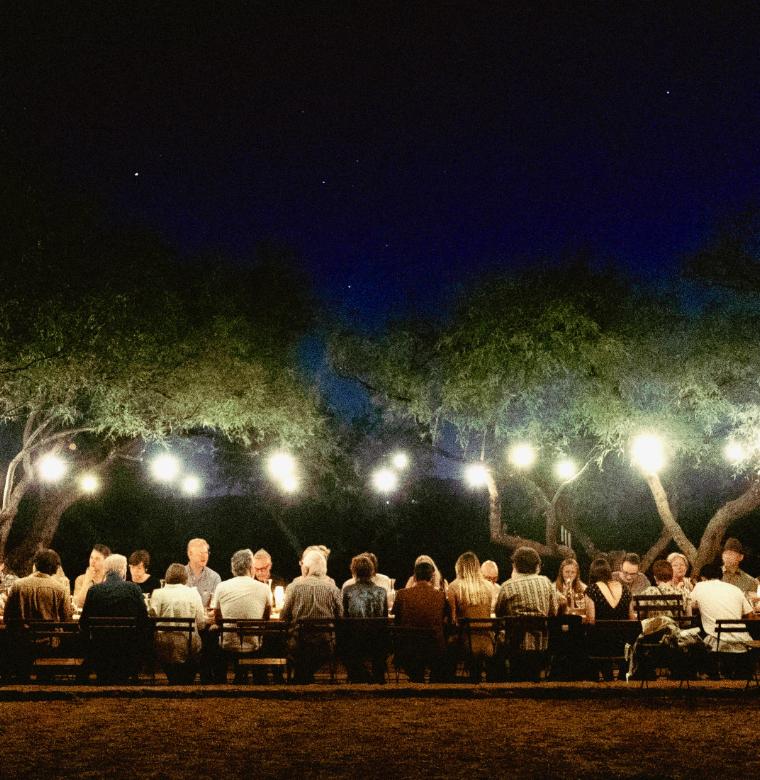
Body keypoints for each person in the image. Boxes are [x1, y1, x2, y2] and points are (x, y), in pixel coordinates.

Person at [79, 554, 149, 684]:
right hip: (127, 652)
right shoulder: (133, 589)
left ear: (105, 570)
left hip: (101, 652)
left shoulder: (94, 591)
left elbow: (83, 622)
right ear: (123, 571)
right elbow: (144, 620)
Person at [495, 546, 557, 681]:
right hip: (541, 644)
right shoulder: (546, 582)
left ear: (514, 566)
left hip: (515, 645)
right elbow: (553, 612)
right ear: (537, 566)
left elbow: (499, 614)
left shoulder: (507, 586)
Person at [280, 549, 342, 684]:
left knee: (289, 644)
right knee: (314, 653)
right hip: (326, 645)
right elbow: (340, 617)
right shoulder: (333, 589)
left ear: (306, 569)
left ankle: (301, 677)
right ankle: (305, 676)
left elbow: (283, 617)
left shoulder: (294, 587)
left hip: (299, 644)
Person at [213, 548, 271, 683]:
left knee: (214, 639)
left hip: (228, 644)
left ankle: (219, 680)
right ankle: (262, 680)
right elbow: (266, 618)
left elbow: (217, 619)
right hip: (253, 644)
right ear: (251, 567)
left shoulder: (221, 587)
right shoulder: (265, 588)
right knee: (265, 640)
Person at [692, 562, 754, 678]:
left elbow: (689, 604)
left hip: (717, 641)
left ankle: (709, 670)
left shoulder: (700, 586)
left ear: (702, 578)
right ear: (721, 576)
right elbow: (750, 614)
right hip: (743, 641)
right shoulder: (735, 589)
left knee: (697, 634)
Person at [393, 560, 449, 683]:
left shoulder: (402, 594)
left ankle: (416, 679)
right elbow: (444, 619)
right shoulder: (440, 596)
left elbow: (397, 619)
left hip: (409, 648)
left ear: (414, 576)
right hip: (434, 647)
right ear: (431, 576)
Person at [149, 563, 206, 684]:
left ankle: (173, 678)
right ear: (185, 578)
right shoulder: (193, 593)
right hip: (188, 645)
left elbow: (152, 618)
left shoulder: (158, 593)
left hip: (163, 644)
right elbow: (201, 624)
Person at [585, 556, 634, 681]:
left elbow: (591, 619)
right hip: (622, 641)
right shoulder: (625, 589)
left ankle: (604, 677)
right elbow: (631, 618)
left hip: (601, 643)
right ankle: (622, 677)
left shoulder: (591, 590)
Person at [448, 552, 495, 682]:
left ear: (459, 567)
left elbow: (453, 620)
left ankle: (448, 681)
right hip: (487, 642)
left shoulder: (453, 587)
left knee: (447, 642)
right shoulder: (489, 587)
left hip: (465, 644)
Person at [342, 554, 389, 683]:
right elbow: (384, 618)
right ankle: (377, 677)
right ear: (372, 571)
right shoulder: (382, 592)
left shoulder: (347, 590)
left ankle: (362, 676)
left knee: (344, 649)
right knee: (382, 641)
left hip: (355, 641)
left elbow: (344, 617)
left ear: (354, 571)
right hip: (378, 642)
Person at [4, 549, 73, 623]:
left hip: (23, 634)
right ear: (55, 568)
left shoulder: (17, 585)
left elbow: (7, 617)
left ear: (35, 565)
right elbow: (66, 621)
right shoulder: (61, 589)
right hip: (51, 634)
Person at [184, 538, 221, 609]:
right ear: (190, 554)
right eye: (200, 553)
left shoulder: (214, 577)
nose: (204, 556)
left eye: (206, 553)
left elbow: (214, 606)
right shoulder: (180, 574)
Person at [72, 544, 111, 609]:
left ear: (105, 561)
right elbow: (77, 604)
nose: (92, 561)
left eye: (97, 559)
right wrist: (86, 582)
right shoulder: (80, 579)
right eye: (91, 557)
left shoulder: (109, 579)